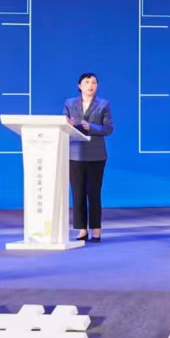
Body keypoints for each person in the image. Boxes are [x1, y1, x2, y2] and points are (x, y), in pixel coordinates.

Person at [64, 72, 114, 242]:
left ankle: (96, 229)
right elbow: (63, 125)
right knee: (77, 193)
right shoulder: (70, 103)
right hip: (75, 154)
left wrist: (91, 126)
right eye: (87, 82)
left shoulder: (104, 104)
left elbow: (108, 128)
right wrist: (69, 125)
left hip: (96, 154)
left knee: (94, 193)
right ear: (79, 86)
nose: (90, 85)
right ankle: (81, 230)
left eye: (93, 82)